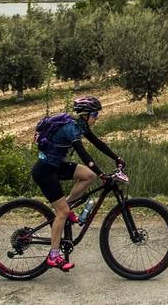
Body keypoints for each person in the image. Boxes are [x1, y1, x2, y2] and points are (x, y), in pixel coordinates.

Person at [31, 94, 124, 271]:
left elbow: (98, 143)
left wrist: (117, 158)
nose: (96, 119)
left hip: (56, 165)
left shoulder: (80, 126)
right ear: (85, 115)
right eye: (95, 115)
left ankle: (67, 207)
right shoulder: (70, 129)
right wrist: (102, 173)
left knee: (88, 175)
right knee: (62, 212)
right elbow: (84, 154)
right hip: (45, 171)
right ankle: (54, 256)